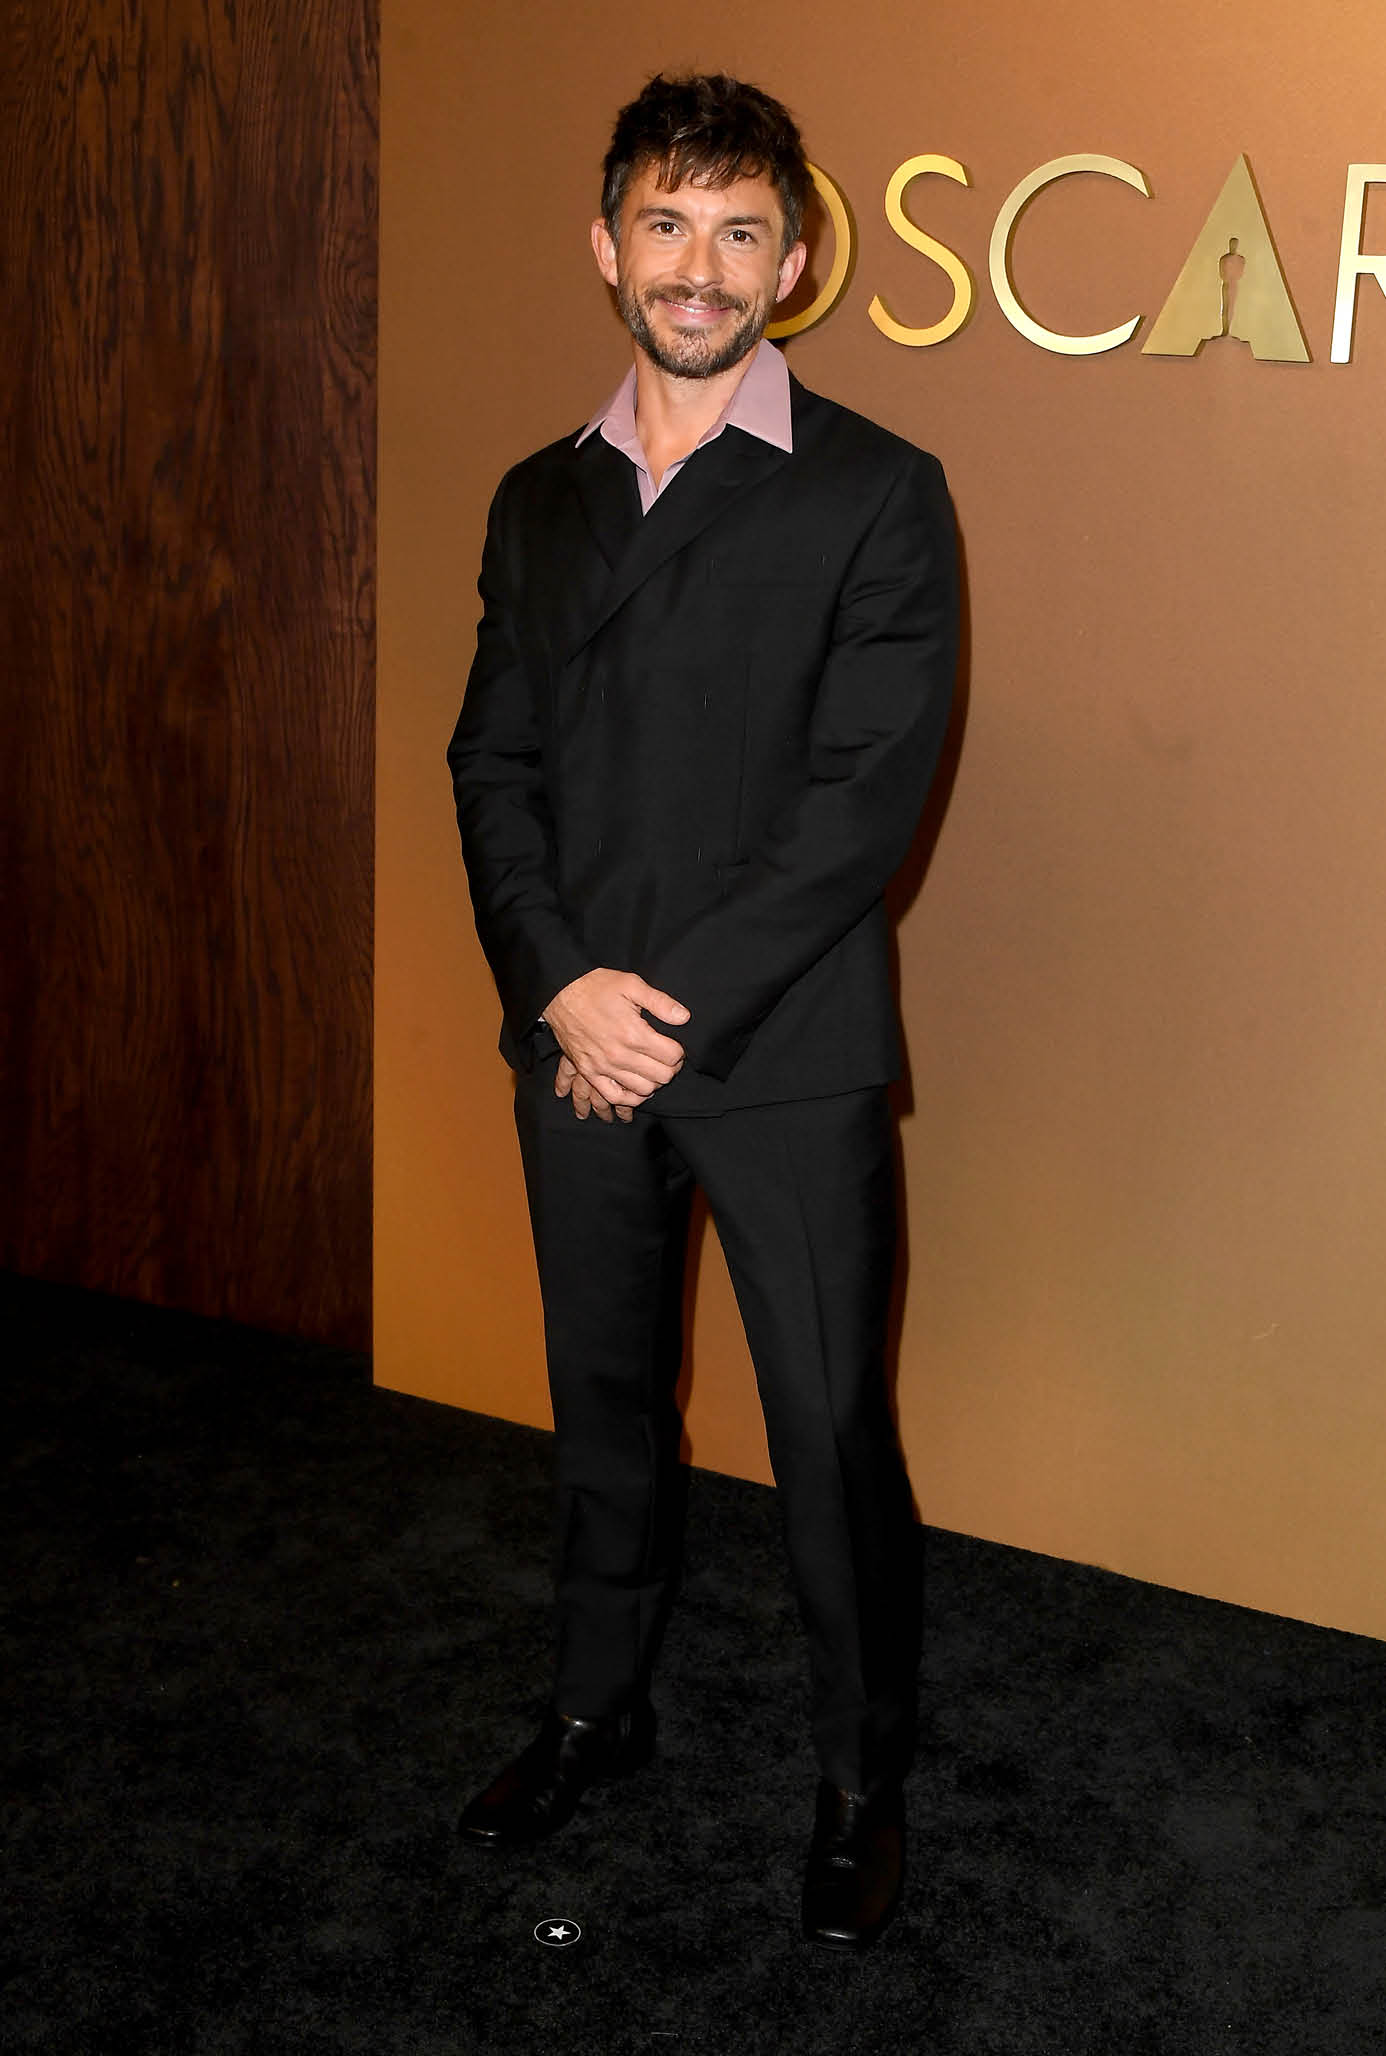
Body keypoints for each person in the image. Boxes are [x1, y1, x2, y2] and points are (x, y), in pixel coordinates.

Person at [447, 72, 958, 1951]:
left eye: (740, 230)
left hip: (779, 1052)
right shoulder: (535, 497)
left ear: (794, 262)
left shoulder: (874, 489)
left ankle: (856, 1778)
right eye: (666, 223)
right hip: (573, 1039)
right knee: (598, 1409)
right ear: (606, 245)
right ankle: (596, 1711)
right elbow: (491, 761)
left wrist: (655, 1011)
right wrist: (558, 983)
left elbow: (861, 808)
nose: (700, 264)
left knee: (825, 1433)